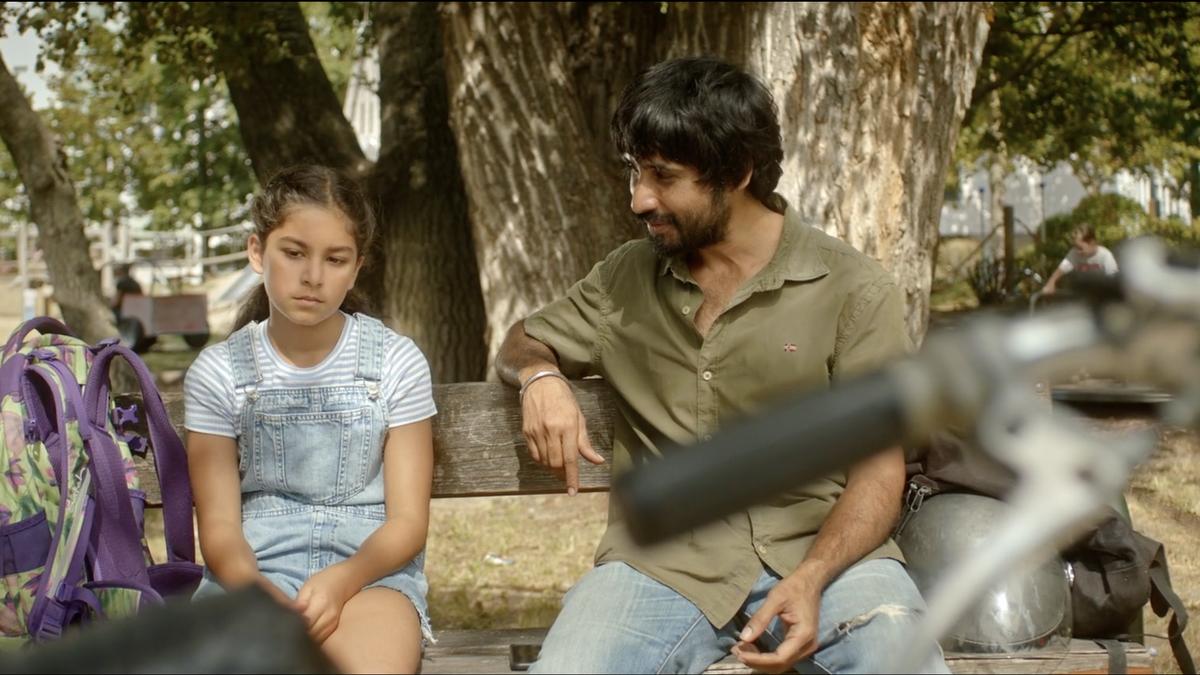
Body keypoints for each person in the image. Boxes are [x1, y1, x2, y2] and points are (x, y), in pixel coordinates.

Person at [495, 57, 947, 674]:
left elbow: (878, 474)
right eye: (634, 171)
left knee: (901, 658)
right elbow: (523, 340)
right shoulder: (624, 278)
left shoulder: (853, 289)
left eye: (663, 176)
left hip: (829, 559)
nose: (639, 198)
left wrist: (813, 577)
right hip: (661, 565)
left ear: (736, 173)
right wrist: (539, 377)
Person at [182, 165, 436, 673]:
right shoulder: (218, 372)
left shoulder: (396, 362)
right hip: (251, 576)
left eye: (335, 259)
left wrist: (343, 580)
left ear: (357, 268)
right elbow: (221, 530)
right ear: (258, 252)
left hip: (369, 576)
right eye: (294, 253)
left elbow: (408, 523)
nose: (313, 276)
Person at [1040, 224, 1119, 295]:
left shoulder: (1105, 256)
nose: (1078, 252)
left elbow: (1115, 281)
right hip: (1081, 296)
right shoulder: (1074, 253)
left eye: (1080, 248)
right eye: (1076, 247)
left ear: (1091, 242)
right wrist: (1051, 283)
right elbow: (1061, 269)